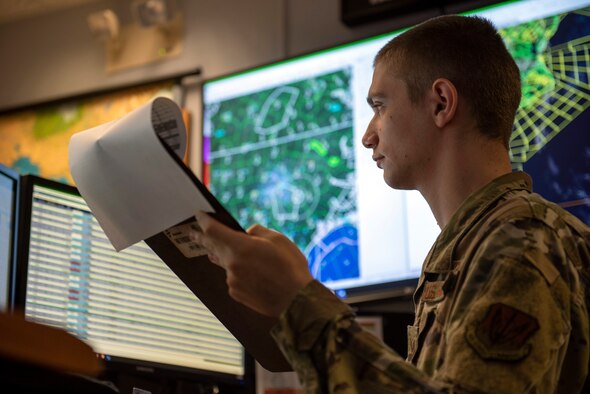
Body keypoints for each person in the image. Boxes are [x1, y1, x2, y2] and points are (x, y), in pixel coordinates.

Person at [191, 15, 590, 393]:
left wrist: (297, 302)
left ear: (440, 103)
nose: (367, 136)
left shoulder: (519, 242)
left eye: (380, 106)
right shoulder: (481, 240)